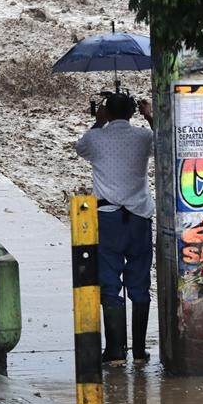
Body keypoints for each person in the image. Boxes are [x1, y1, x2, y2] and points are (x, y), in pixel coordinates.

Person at [75, 92, 154, 366]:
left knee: (110, 280)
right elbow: (164, 143)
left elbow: (80, 147)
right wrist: (151, 116)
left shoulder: (96, 139)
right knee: (140, 280)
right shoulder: (144, 137)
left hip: (107, 217)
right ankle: (141, 351)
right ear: (133, 112)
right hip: (139, 216)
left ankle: (115, 351)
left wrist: (98, 122)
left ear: (106, 112)